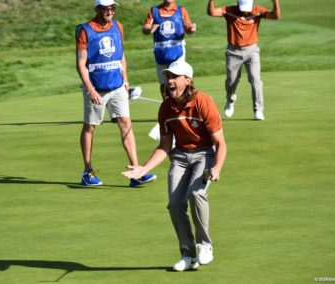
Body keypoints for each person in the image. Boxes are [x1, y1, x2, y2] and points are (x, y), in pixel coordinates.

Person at [122, 61, 227, 271]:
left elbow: (220, 143)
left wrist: (216, 169)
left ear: (187, 81)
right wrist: (144, 169)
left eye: (175, 77)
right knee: (175, 204)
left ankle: (205, 245)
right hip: (179, 157)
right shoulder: (165, 108)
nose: (170, 80)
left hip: (204, 154)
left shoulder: (203, 102)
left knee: (196, 194)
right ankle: (187, 255)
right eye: (168, 76)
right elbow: (164, 146)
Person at [75, 0, 156, 187]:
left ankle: (136, 171)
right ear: (97, 9)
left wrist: (126, 81)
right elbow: (80, 64)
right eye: (106, 8)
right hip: (95, 87)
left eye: (112, 8)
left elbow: (121, 56)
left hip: (117, 85)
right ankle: (87, 171)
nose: (110, 11)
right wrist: (90, 89)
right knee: (90, 127)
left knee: (125, 122)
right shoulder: (85, 30)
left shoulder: (118, 26)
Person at [207, 0, 281, 120]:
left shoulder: (257, 11)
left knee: (255, 79)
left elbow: (275, 16)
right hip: (233, 51)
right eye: (243, 7)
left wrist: (275, 2)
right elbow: (211, 12)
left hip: (252, 50)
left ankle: (258, 110)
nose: (245, 11)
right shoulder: (229, 10)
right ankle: (230, 100)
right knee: (231, 81)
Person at [142, 0, 196, 98]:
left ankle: (182, 103)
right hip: (160, 53)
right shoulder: (154, 11)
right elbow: (145, 28)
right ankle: (167, 106)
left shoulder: (181, 10)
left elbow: (188, 28)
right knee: (163, 82)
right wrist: (149, 29)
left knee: (179, 78)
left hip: (177, 52)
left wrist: (191, 29)